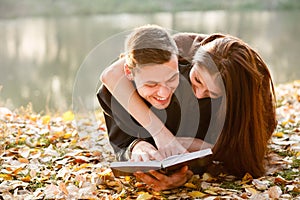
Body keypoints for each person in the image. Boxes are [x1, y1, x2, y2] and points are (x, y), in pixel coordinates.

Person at [101, 32, 277, 191]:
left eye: (212, 93)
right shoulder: (180, 47)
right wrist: (161, 135)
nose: (200, 93)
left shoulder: (254, 98)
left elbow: (246, 150)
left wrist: (199, 151)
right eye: (198, 80)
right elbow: (111, 75)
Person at [97, 24, 213, 164]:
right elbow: (122, 145)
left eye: (172, 79)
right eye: (151, 84)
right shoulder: (113, 95)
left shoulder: (197, 88)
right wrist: (136, 147)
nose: (164, 93)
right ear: (128, 72)